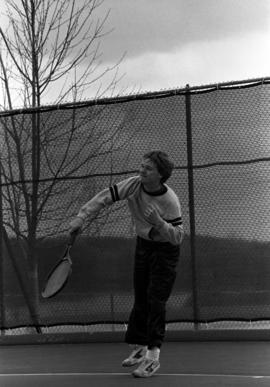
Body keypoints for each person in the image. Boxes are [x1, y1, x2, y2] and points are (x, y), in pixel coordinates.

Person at [69, 150, 184, 378]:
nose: (141, 170)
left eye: (148, 168)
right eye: (141, 166)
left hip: (166, 251)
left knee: (156, 300)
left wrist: (160, 223)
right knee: (141, 296)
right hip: (144, 245)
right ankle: (140, 347)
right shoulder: (133, 185)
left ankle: (153, 358)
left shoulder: (170, 201)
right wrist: (81, 218)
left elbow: (178, 237)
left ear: (160, 175)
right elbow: (104, 197)